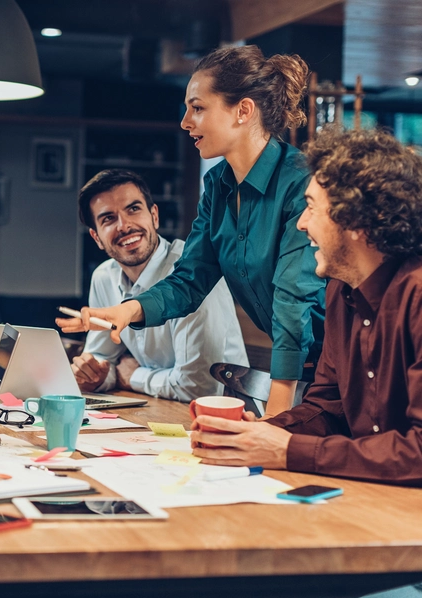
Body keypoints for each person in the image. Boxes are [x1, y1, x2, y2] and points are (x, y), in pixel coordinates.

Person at [58, 45, 327, 417]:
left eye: (198, 108)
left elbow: (292, 303)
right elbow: (189, 278)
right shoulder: (217, 186)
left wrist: (275, 420)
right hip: (309, 374)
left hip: (346, 364)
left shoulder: (300, 182)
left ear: (243, 111)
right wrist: (128, 311)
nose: (186, 122)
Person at [190, 126, 422, 489]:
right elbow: (328, 408)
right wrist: (261, 434)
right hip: (378, 500)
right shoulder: (340, 291)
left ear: (356, 221)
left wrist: (288, 450)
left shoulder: (416, 296)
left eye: (311, 207)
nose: (301, 222)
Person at [71, 169, 249, 401]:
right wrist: (94, 375)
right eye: (109, 219)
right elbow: (102, 362)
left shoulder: (194, 272)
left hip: (226, 417)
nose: (124, 226)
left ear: (154, 216)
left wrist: (134, 376)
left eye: (133, 209)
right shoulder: (104, 277)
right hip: (157, 409)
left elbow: (198, 387)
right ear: (97, 238)